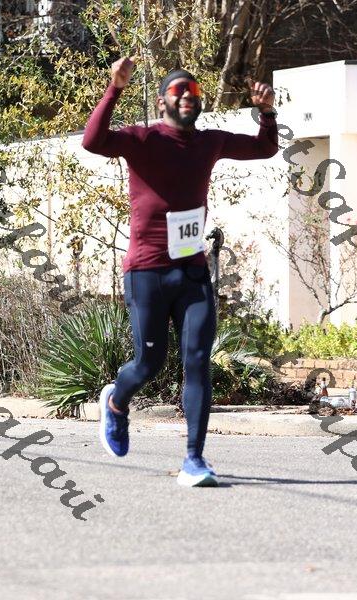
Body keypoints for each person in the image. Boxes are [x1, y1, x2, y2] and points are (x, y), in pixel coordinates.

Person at [82, 57, 278, 487]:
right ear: (161, 102)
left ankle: (194, 459)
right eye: (178, 90)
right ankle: (116, 401)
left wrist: (266, 112)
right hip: (147, 271)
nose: (188, 96)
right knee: (148, 364)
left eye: (194, 91)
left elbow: (264, 148)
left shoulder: (209, 142)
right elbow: (93, 141)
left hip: (191, 273)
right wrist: (114, 88)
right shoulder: (143, 139)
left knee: (198, 360)